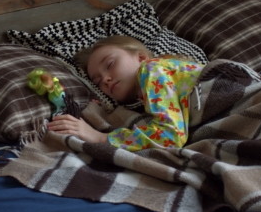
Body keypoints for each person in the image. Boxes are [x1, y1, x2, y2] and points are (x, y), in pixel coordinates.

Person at [46, 35, 205, 151]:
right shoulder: (151, 92)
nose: (106, 79)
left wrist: (100, 137)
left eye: (110, 64)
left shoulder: (151, 69)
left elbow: (169, 136)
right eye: (98, 82)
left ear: (141, 57)